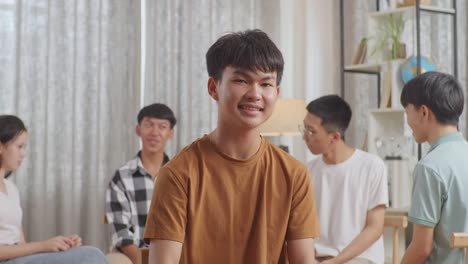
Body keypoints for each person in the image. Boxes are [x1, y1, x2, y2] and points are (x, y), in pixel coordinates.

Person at [143, 29, 320, 263]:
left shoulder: (294, 174)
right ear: (213, 88)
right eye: (241, 80)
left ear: (276, 93)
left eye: (266, 84)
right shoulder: (178, 174)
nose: (255, 94)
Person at [0, 115, 106, 264]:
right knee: (91, 256)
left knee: (87, 254)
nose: (23, 154)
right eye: (19, 146)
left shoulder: (12, 190)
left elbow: (22, 245)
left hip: (18, 260)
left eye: (24, 147)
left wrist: (58, 246)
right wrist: (43, 245)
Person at [301, 95, 388, 264]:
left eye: (311, 131)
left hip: (359, 258)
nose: (305, 137)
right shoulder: (306, 171)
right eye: (304, 129)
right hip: (317, 258)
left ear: (334, 137)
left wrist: (336, 261)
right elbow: (302, 228)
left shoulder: (372, 166)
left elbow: (374, 227)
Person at [399, 72, 468, 263]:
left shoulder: (430, 167)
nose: (408, 122)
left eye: (407, 112)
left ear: (423, 112)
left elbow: (421, 248)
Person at [106, 103, 176, 264]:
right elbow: (121, 233)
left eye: (162, 126)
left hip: (171, 253)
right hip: (131, 253)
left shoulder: (179, 174)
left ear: (170, 133)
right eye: (148, 125)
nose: (155, 132)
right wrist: (144, 261)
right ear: (138, 130)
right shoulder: (121, 177)